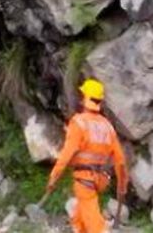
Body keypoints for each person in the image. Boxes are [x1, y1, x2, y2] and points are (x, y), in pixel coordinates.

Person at [44, 78, 128, 233]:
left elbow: (66, 155)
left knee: (96, 226)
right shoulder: (107, 126)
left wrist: (53, 178)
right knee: (79, 219)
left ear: (85, 98)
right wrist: (122, 186)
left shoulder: (79, 123)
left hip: (84, 181)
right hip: (100, 180)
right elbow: (120, 161)